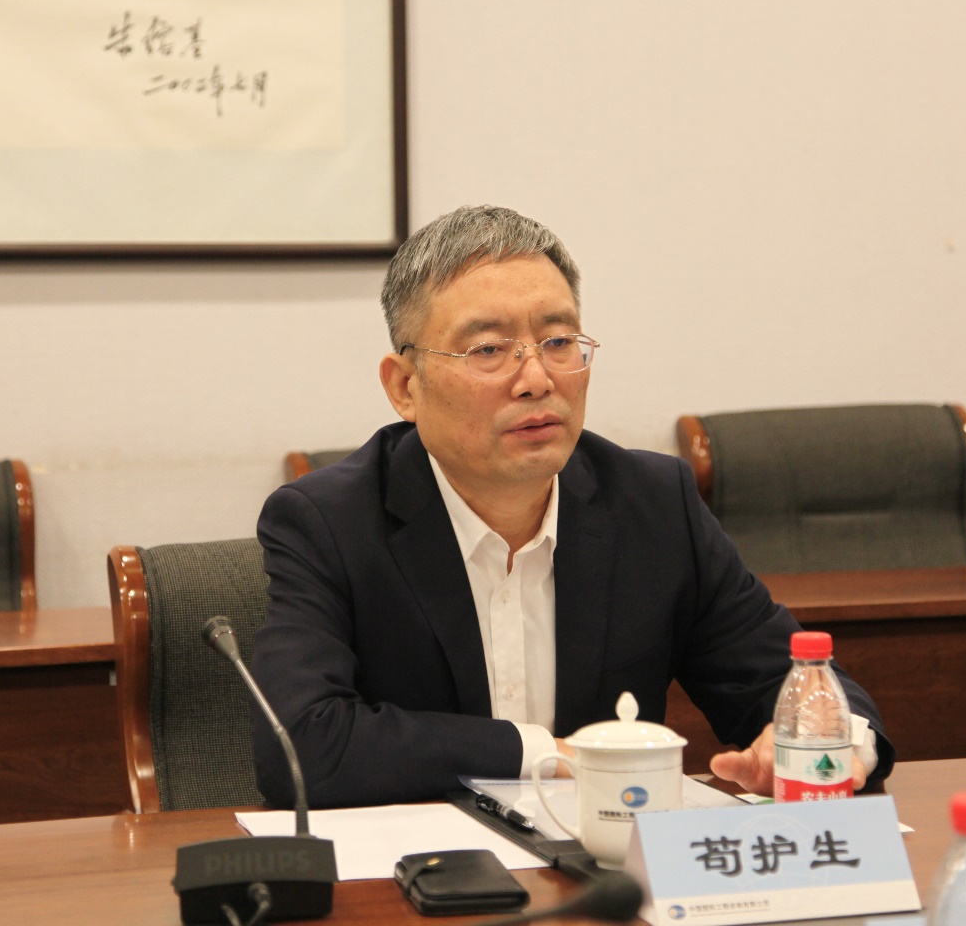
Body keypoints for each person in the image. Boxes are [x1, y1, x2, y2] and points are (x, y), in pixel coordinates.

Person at [251, 204, 894, 809]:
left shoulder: (653, 506)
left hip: (602, 868)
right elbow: (301, 743)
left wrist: (826, 741)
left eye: (558, 342)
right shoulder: (328, 523)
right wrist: (547, 755)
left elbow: (788, 680)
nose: (537, 379)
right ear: (405, 386)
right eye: (488, 350)